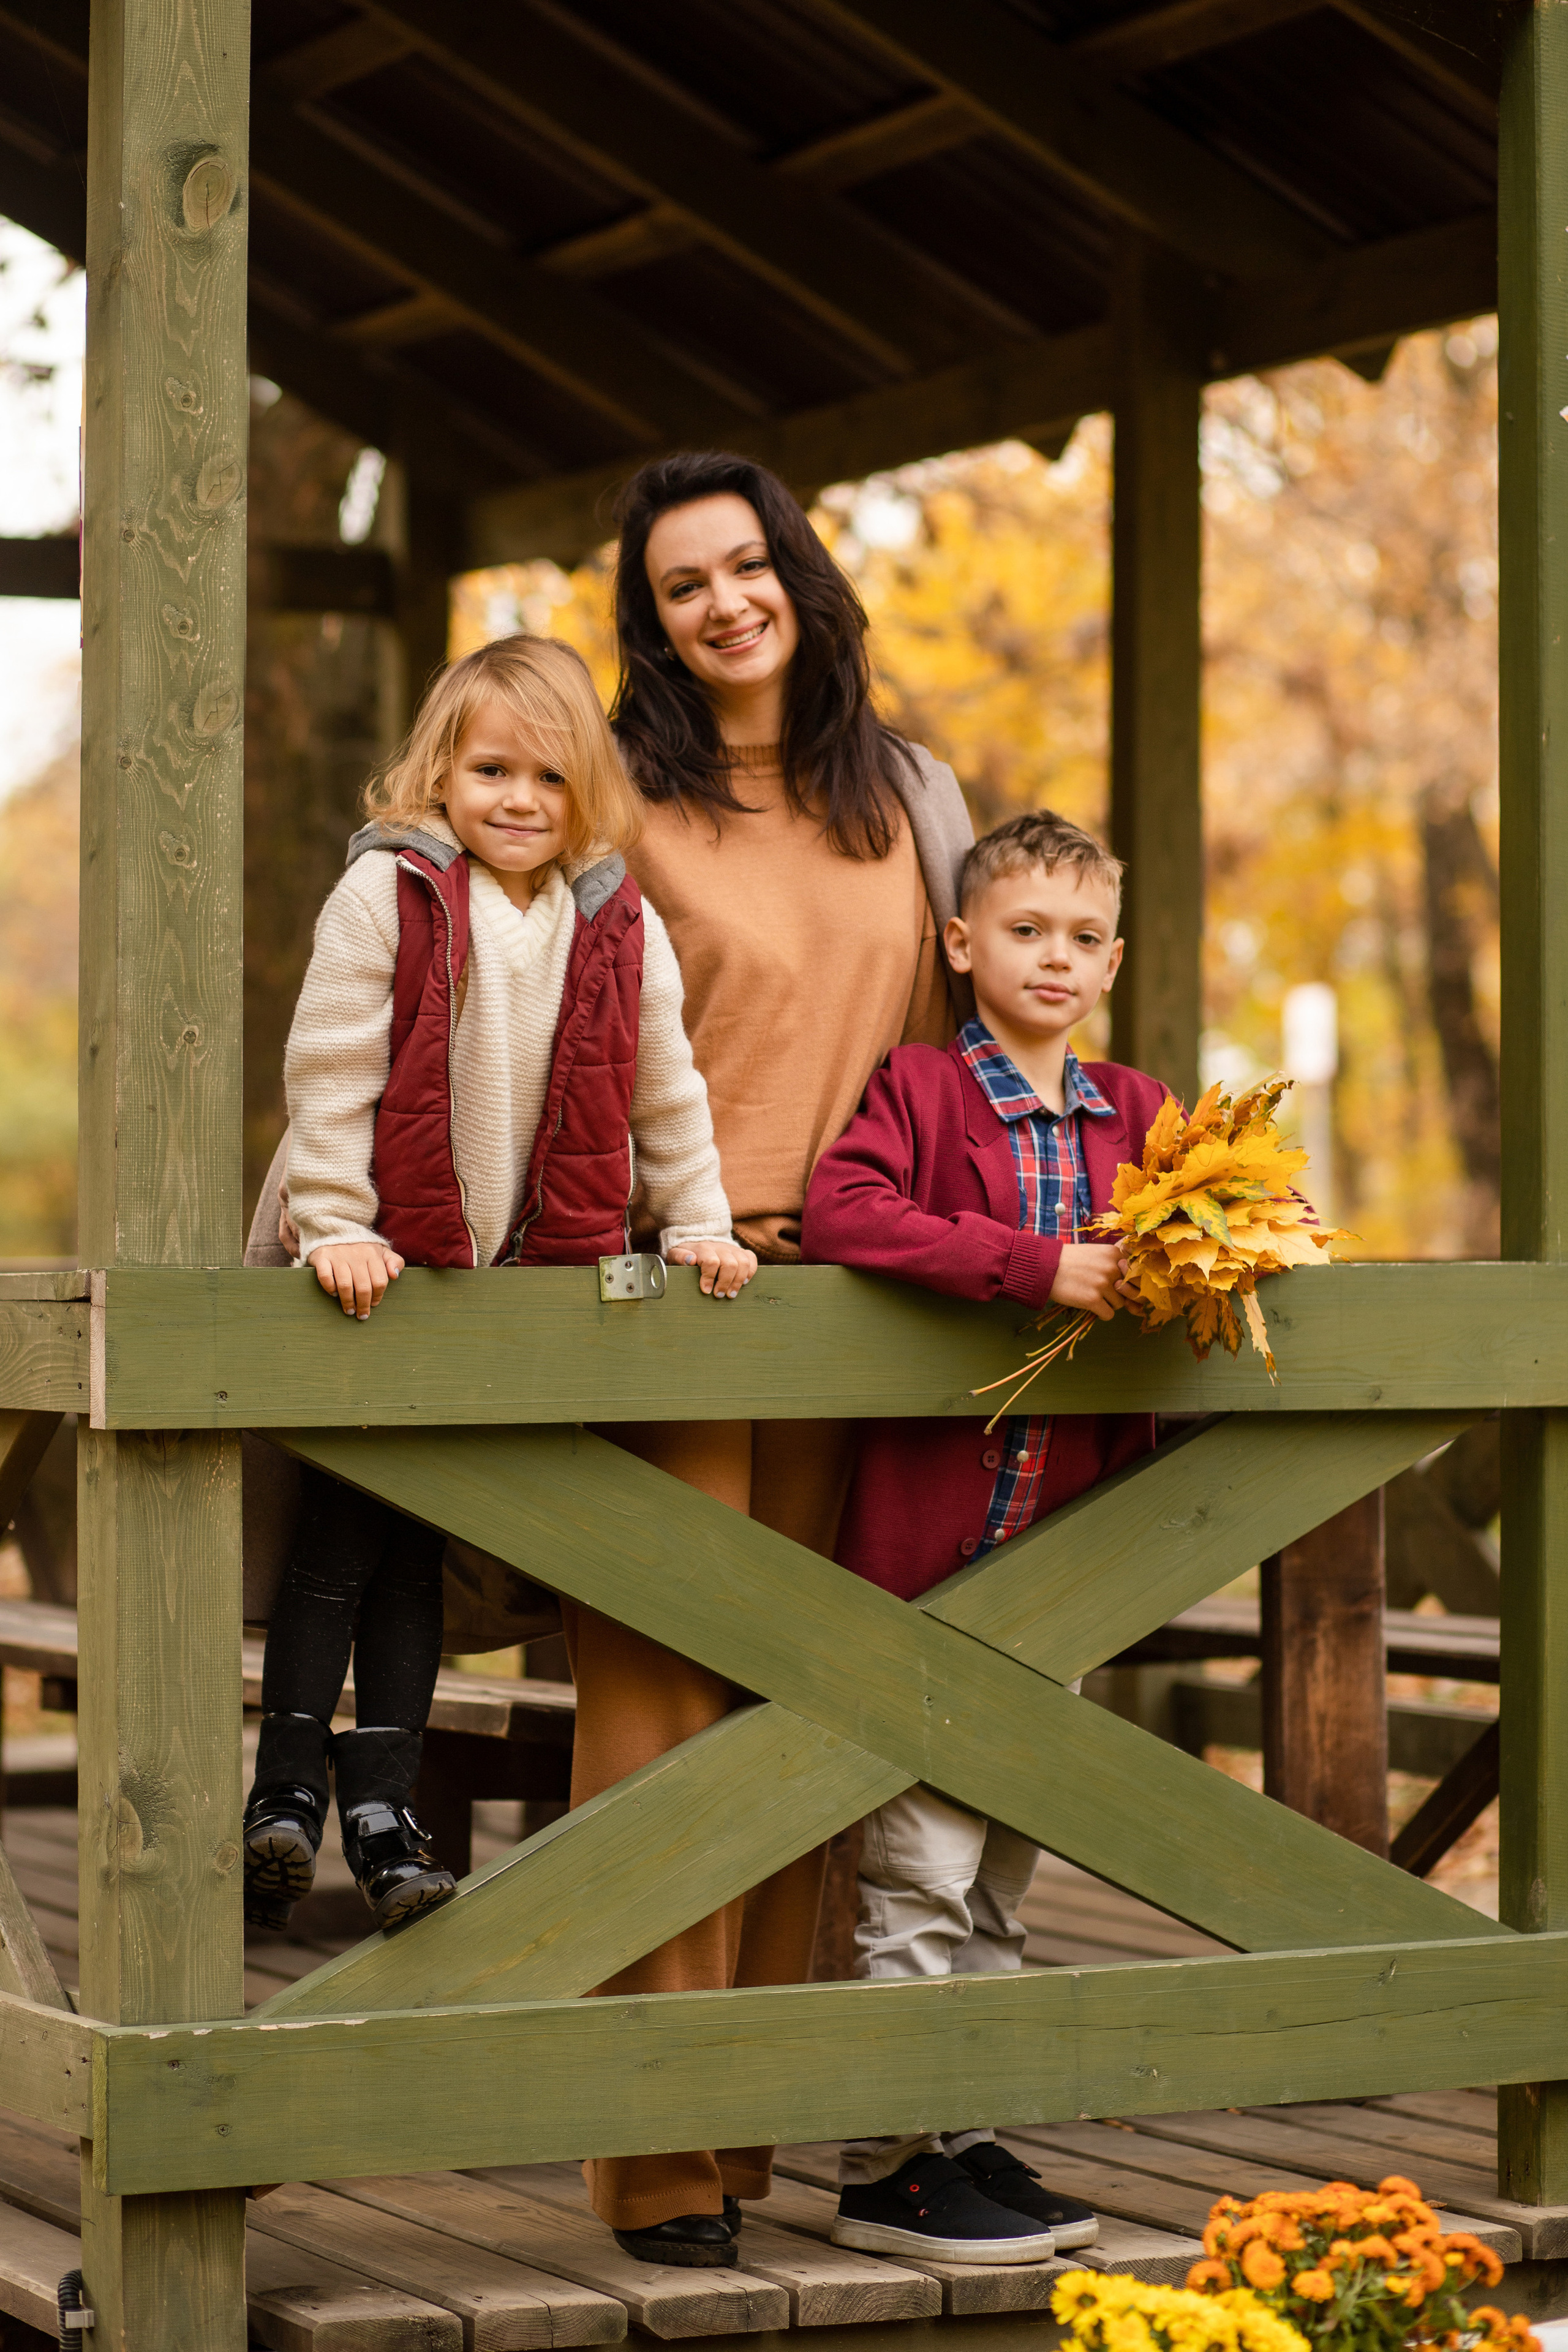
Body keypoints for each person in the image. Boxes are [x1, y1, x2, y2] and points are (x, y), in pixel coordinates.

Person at [557, 448, 974, 2268]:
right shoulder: (619, 804)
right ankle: (648, 2153)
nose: (725, 603)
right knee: (658, 1715)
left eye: (747, 566)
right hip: (671, 1288)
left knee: (812, 1721)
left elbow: (972, 1035)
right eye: (681, 585)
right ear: (649, 622)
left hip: (859, 1306)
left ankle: (747, 2138)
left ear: (798, 576)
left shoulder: (913, 793)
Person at [243, 635, 752, 1941]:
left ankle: (383, 1803)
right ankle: (285, 1788)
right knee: (338, 1533)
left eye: (546, 776)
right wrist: (335, 1225)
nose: (517, 799)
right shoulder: (391, 897)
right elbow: (332, 1070)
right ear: (439, 771)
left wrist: (696, 1218)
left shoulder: (611, 919)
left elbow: (663, 1089)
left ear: (587, 791)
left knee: (420, 1541)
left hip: (501, 1291)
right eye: (488, 770)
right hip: (373, 1263)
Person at [802, 807, 1170, 2264]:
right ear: (961, 944)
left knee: (1007, 1865)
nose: (1054, 958)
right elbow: (844, 1211)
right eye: (1024, 930)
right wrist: (1032, 1269)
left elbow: (1242, 1221)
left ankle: (964, 2124)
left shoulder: (1138, 1111)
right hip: (929, 1564)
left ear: (1115, 960)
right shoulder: (919, 1089)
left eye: (1083, 939)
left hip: (1063, 1572)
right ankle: (884, 2158)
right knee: (919, 1864)